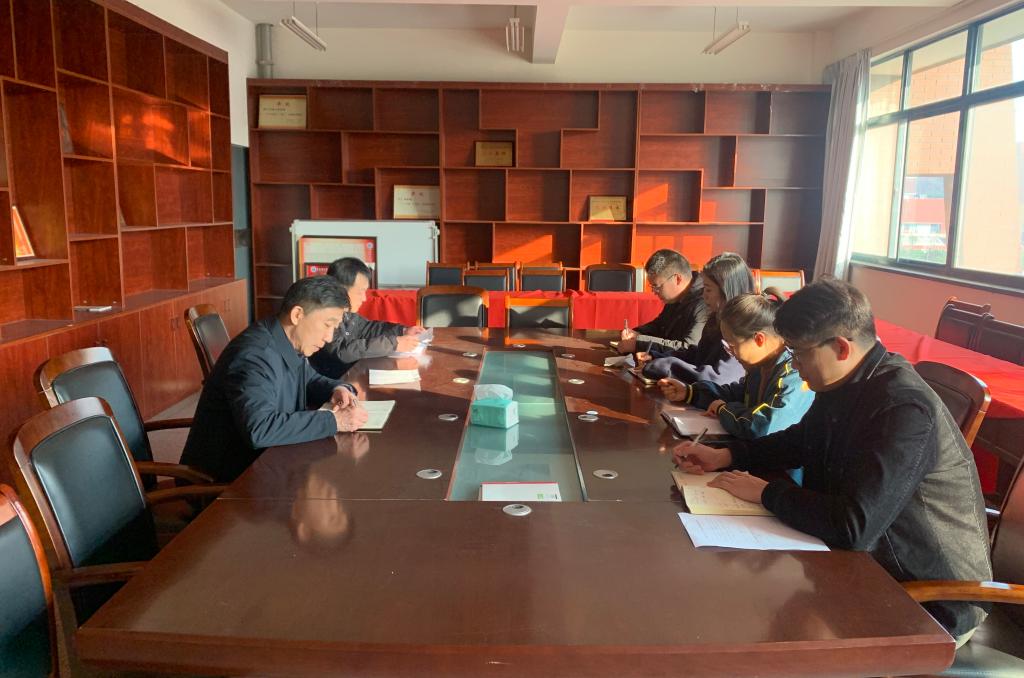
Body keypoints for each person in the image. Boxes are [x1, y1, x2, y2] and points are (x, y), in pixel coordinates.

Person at [674, 278, 992, 644]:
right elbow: (801, 441)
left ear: (841, 347)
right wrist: (726, 455)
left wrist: (766, 493)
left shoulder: (904, 407)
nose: (795, 366)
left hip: (926, 600)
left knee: (763, 634)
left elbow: (854, 526)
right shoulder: (844, 381)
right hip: (864, 568)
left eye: (799, 353)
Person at [180, 276, 369, 482]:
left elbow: (308, 378)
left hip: (267, 464)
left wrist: (337, 389)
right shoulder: (255, 356)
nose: (329, 337)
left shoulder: (284, 339)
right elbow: (260, 429)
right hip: (225, 483)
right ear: (297, 315)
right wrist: (335, 421)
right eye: (327, 325)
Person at [659, 288, 813, 441]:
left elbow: (762, 426)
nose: (731, 353)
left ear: (759, 339)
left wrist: (723, 410)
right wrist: (690, 392)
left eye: (732, 346)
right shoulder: (760, 365)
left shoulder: (795, 374)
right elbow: (737, 394)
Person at [641, 252, 755, 385]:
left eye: (708, 290)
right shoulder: (715, 318)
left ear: (726, 291)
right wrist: (657, 357)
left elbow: (718, 379)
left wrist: (667, 366)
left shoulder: (743, 327)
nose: (704, 295)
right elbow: (699, 354)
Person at [310, 257, 426, 379]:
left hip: (352, 375)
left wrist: (402, 330)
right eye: (360, 292)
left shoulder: (348, 314)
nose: (364, 298)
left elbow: (368, 328)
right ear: (340, 289)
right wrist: (393, 344)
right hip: (332, 382)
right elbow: (342, 351)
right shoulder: (324, 315)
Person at [618, 249, 707, 354]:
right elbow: (659, 326)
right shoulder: (676, 297)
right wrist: (636, 333)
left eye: (657, 286)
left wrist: (640, 344)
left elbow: (687, 348)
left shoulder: (704, 303)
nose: (654, 292)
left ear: (677, 279)